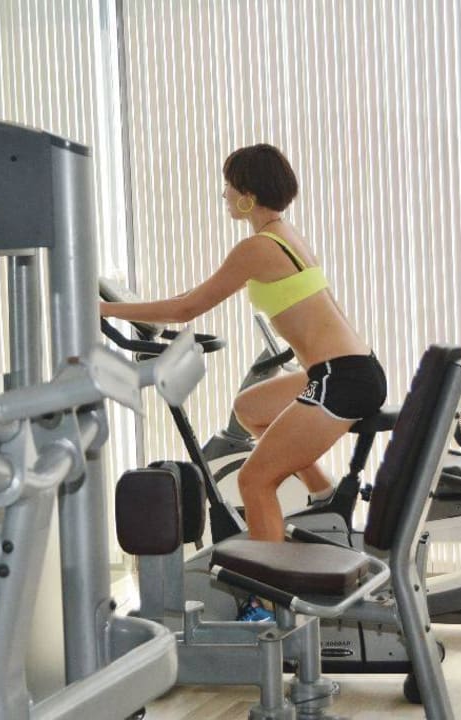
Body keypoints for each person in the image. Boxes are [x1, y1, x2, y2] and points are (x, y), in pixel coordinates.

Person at [100, 144, 386, 551]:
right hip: (349, 368)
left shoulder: (258, 248)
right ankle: (325, 499)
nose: (224, 194)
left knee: (255, 480)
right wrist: (129, 307)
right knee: (250, 408)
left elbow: (186, 308)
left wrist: (102, 308)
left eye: (229, 185)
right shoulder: (283, 235)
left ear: (248, 194)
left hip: (341, 379)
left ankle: (271, 586)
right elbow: (190, 297)